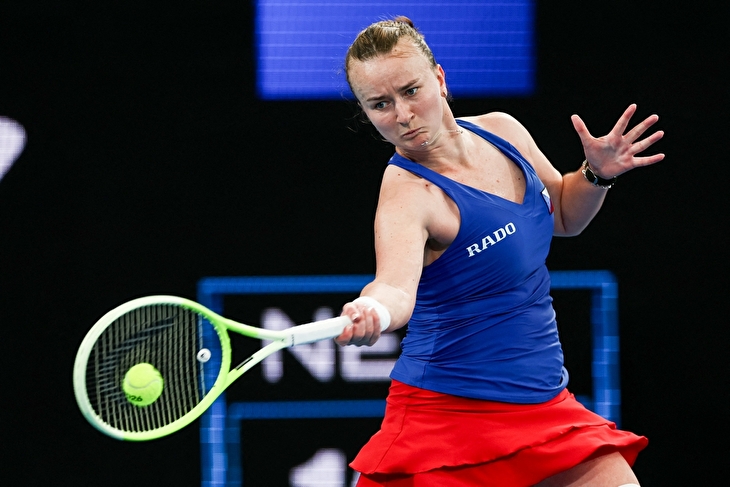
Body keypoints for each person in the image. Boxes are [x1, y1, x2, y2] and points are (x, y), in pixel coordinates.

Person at [334, 16, 664, 487]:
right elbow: (394, 288)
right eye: (380, 104)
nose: (402, 115)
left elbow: (563, 216)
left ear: (440, 79)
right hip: (446, 416)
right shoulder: (407, 193)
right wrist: (373, 309)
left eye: (411, 91)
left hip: (544, 404)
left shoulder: (502, 131)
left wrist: (596, 174)